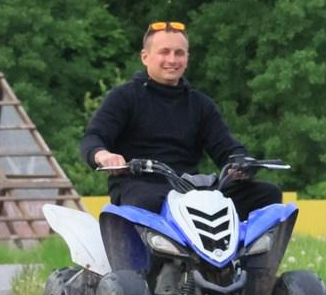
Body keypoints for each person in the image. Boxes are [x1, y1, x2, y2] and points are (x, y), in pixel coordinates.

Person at [77, 20, 276, 231]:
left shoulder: (200, 104)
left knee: (267, 193)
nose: (172, 60)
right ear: (145, 56)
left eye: (179, 53)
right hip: (140, 185)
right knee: (148, 201)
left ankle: (245, 261)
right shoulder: (124, 97)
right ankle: (150, 263)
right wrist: (104, 155)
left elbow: (226, 148)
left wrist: (242, 164)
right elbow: (93, 138)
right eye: (164, 52)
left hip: (191, 188)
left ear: (187, 58)